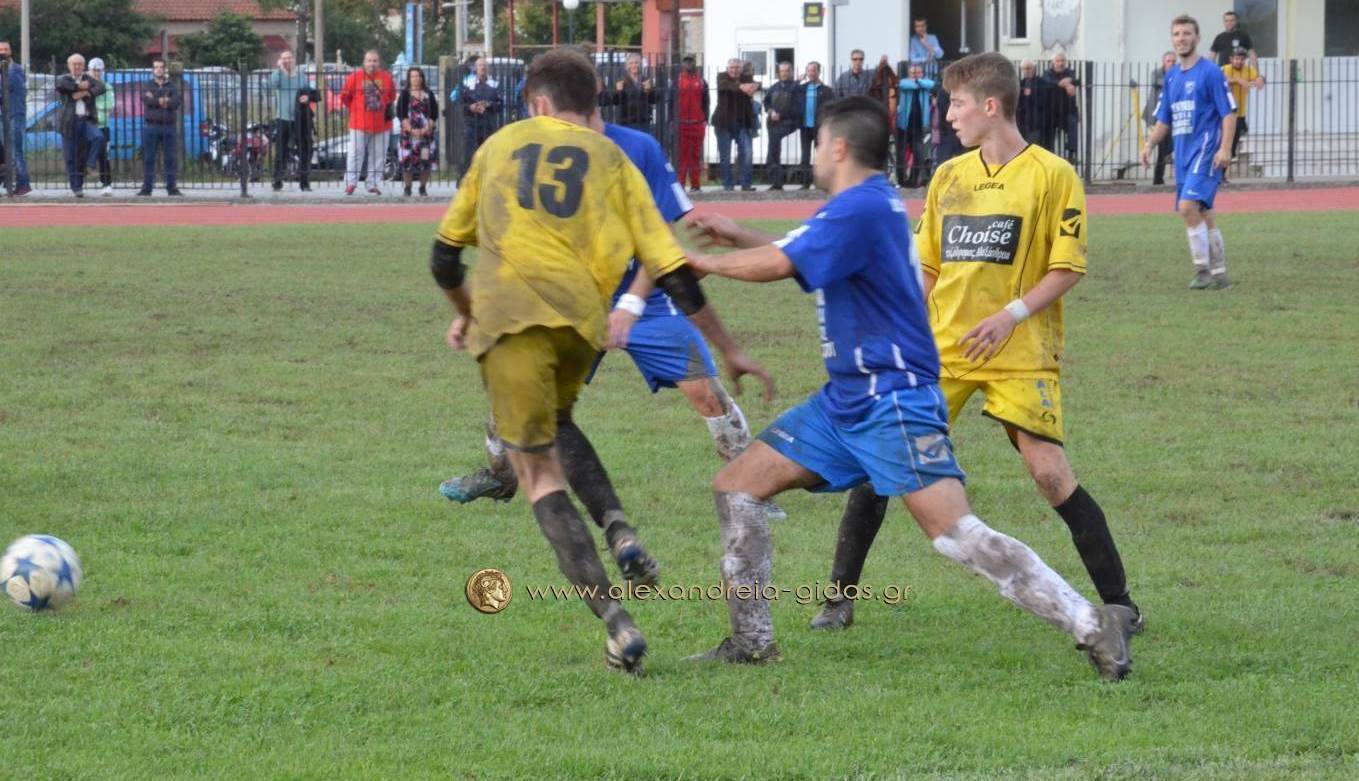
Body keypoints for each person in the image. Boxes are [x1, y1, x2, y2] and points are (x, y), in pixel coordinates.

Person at [682, 94, 1136, 680]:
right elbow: (796, 251)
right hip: (845, 402)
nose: (813, 155)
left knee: (955, 534)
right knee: (737, 486)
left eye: (817, 144)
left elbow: (779, 265)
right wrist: (736, 234)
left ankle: (1093, 623)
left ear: (838, 148)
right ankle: (751, 642)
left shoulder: (861, 208)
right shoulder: (862, 206)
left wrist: (697, 262)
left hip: (890, 401)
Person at [428, 47, 771, 676]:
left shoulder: (501, 145)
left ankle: (617, 625)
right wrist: (729, 347)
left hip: (516, 322)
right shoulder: (614, 157)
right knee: (558, 422)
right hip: (585, 322)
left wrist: (466, 308)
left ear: (538, 102)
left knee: (540, 476)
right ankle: (619, 530)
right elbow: (673, 265)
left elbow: (444, 257)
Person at [809, 54, 1142, 645]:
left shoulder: (1053, 175)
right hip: (941, 352)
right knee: (882, 461)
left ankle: (1120, 606)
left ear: (991, 106)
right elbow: (928, 266)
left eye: (956, 104)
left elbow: (1067, 268)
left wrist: (1009, 316)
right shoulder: (949, 175)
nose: (948, 115)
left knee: (1050, 474)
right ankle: (838, 599)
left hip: (1021, 350)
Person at [442, 112, 785, 522]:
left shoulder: (639, 147)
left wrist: (633, 302)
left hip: (648, 301)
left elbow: (662, 235)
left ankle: (751, 486)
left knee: (706, 392)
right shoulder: (534, 150)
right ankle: (501, 476)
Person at [1142, 14, 1238, 290]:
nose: (1181, 38)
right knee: (1203, 211)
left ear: (1197, 38)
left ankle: (1202, 271)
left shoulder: (1211, 72)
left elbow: (1228, 113)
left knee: (1187, 207)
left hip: (1206, 150)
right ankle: (1219, 274)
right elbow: (1164, 121)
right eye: (1177, 34)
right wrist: (1149, 144)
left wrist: (1225, 148)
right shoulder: (1171, 77)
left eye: (1186, 33)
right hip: (1183, 155)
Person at [339, 50, 395, 196]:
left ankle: (372, 183)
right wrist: (355, 109)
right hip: (359, 123)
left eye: (375, 60)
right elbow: (345, 96)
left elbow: (392, 96)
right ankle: (351, 183)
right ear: (364, 63)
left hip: (382, 124)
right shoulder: (354, 77)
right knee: (355, 154)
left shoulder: (387, 77)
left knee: (379, 156)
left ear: (379, 62)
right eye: (369, 60)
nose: (372, 63)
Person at [55, 54, 106, 198]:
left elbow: (101, 87)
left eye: (80, 64)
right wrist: (78, 86)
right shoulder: (64, 79)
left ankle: (91, 164)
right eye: (74, 64)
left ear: (84, 66)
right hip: (69, 123)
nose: (77, 66)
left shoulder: (88, 78)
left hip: (86, 120)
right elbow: (61, 86)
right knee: (71, 157)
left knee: (98, 137)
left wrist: (86, 93)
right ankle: (76, 187)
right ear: (69, 66)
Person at [269, 51, 314, 192]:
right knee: (281, 152)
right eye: (284, 58)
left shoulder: (301, 75)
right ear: (280, 60)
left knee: (304, 151)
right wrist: (279, 69)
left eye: (289, 58)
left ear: (293, 59)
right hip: (283, 118)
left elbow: (309, 90)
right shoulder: (277, 74)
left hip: (300, 119)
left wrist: (308, 97)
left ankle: (304, 183)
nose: (287, 61)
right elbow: (273, 84)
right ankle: (277, 181)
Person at [137, 58, 182, 197]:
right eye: (156, 67)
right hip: (151, 126)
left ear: (165, 69)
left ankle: (172, 188)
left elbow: (176, 102)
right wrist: (162, 100)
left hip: (169, 126)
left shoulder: (172, 86)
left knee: (170, 158)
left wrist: (156, 99)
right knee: (149, 158)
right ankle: (147, 188)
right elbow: (147, 100)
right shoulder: (147, 85)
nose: (159, 69)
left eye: (161, 67)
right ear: (153, 70)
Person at [712, 58, 757, 191]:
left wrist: (754, 86)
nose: (734, 70)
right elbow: (724, 86)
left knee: (747, 153)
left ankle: (746, 184)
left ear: (741, 69)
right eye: (732, 67)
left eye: (737, 68)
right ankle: (728, 185)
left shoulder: (746, 78)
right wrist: (741, 86)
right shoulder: (722, 77)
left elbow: (757, 84)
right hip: (723, 123)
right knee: (725, 156)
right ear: (727, 68)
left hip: (742, 122)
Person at [397, 66, 439, 197]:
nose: (416, 78)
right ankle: (407, 188)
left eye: (418, 76)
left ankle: (422, 188)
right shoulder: (405, 94)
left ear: (422, 78)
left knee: (425, 161)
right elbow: (401, 114)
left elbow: (434, 114)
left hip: (426, 135)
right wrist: (411, 130)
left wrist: (426, 129)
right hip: (408, 135)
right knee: (407, 162)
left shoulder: (429, 94)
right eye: (413, 76)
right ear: (409, 79)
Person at [460, 57, 502, 180]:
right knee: (469, 153)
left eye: (484, 65)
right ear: (475, 68)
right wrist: (470, 107)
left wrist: (488, 105)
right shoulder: (467, 83)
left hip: (488, 124)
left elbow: (500, 104)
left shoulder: (495, 84)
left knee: (488, 153)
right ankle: (466, 178)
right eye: (480, 65)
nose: (482, 67)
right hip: (471, 123)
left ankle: (487, 179)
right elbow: (460, 104)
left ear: (488, 68)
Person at [1221, 47, 1263, 166]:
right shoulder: (1225, 69)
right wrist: (1238, 80)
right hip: (1225, 111)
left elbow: (1258, 77)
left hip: (1240, 111)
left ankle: (1229, 160)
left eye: (1241, 59)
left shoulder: (1248, 70)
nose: (1239, 61)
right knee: (1225, 138)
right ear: (1231, 59)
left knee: (1235, 139)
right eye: (1236, 59)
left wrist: (1260, 79)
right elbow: (1221, 79)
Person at [763, 61, 801, 190]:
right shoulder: (774, 87)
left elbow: (797, 108)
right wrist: (771, 111)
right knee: (772, 151)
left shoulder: (796, 88)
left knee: (773, 149)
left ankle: (777, 182)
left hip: (789, 122)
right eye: (782, 71)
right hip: (772, 123)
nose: (784, 73)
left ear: (791, 72)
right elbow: (766, 102)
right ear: (778, 73)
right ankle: (776, 182)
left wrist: (781, 115)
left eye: (786, 71)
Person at [896, 63, 935, 188]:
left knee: (919, 154)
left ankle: (913, 180)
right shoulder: (905, 82)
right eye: (913, 73)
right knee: (901, 154)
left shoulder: (924, 83)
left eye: (918, 73)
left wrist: (918, 81)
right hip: (904, 125)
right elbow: (903, 84)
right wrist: (918, 83)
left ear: (922, 74)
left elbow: (931, 84)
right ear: (908, 74)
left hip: (918, 125)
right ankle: (901, 179)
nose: (915, 75)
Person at [674, 56, 709, 192]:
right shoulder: (677, 80)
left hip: (697, 123)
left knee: (695, 155)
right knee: (682, 156)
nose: (689, 64)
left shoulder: (701, 81)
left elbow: (706, 101)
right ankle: (681, 184)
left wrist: (705, 119)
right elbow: (671, 101)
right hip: (681, 123)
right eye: (686, 62)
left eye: (691, 61)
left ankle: (696, 185)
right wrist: (672, 119)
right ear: (682, 64)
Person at [0, 40, 31, 196]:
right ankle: (7, 182)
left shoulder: (16, 69)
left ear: (10, 51)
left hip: (14, 114)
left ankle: (23, 184)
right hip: (2, 114)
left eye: (6, 49)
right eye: (0, 49)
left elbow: (9, 87)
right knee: (4, 152)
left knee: (15, 150)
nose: (3, 52)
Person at [795, 62, 832, 190]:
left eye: (814, 70)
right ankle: (805, 183)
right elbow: (790, 93)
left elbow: (831, 108)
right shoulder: (802, 88)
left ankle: (822, 183)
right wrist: (797, 81)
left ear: (819, 72)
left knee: (821, 155)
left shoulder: (826, 90)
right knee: (805, 156)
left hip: (819, 128)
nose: (811, 73)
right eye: (809, 71)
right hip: (805, 126)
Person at [1042, 52, 1080, 165]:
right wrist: (1063, 83)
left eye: (1062, 61)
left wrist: (1070, 82)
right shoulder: (1047, 73)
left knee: (1073, 126)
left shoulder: (1070, 72)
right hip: (1051, 111)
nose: (1060, 63)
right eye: (1058, 61)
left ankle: (1071, 155)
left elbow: (1077, 81)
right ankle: (1049, 157)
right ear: (1053, 63)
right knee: (1049, 136)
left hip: (1067, 110)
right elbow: (1047, 81)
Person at [1144, 51, 1176, 186]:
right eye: (1169, 61)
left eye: (1173, 61)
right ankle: (1158, 178)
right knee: (1162, 146)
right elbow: (1156, 82)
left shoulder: (1177, 73)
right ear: (1164, 62)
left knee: (1170, 143)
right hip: (1155, 116)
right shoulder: (1157, 73)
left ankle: (1167, 157)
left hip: (1170, 115)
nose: (1171, 63)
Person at [88, 58, 114, 196]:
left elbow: (109, 105)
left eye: (99, 70)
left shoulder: (107, 86)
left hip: (102, 125)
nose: (97, 73)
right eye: (94, 70)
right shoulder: (85, 85)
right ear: (89, 70)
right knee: (84, 153)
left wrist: (93, 105)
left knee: (104, 155)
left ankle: (107, 183)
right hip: (88, 125)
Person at [612, 53, 657, 133]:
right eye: (631, 63)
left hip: (644, 121)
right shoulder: (621, 81)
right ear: (627, 66)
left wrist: (649, 91)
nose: (634, 65)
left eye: (636, 62)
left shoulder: (646, 80)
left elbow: (654, 100)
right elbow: (615, 101)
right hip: (627, 121)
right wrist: (619, 91)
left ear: (640, 64)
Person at [1016, 60, 1046, 144]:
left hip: (1036, 121)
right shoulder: (1020, 83)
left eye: (1029, 68)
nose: (1026, 71)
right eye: (1024, 69)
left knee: (1032, 146)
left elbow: (1043, 101)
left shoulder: (1041, 82)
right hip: (1022, 121)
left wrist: (1030, 95)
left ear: (1034, 69)